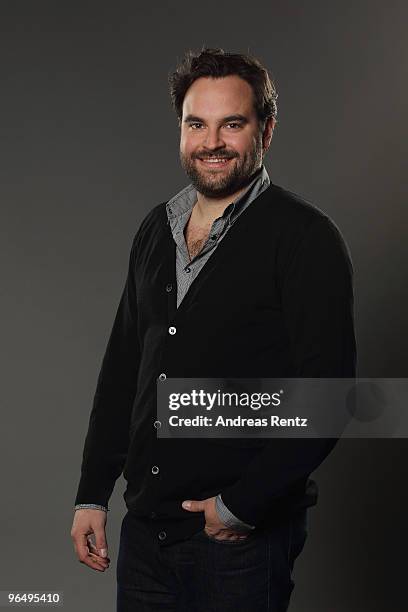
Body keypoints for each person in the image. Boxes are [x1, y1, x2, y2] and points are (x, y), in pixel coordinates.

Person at [71, 47, 356, 611]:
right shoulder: (157, 229)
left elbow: (331, 395)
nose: (212, 142)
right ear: (180, 129)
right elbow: (124, 369)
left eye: (233, 123)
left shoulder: (305, 238)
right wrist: (91, 496)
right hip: (145, 538)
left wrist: (242, 505)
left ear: (266, 131)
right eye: (196, 124)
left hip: (237, 543)